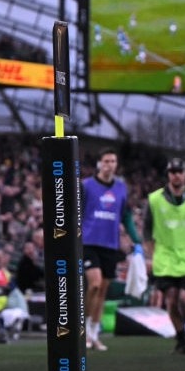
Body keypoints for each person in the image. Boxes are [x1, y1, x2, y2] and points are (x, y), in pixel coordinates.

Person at [144, 158, 185, 354]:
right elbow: (147, 231)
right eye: (173, 172)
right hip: (165, 258)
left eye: (179, 171)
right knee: (171, 300)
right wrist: (150, 256)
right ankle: (181, 339)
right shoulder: (154, 199)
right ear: (168, 174)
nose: (176, 175)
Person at [82, 147, 142, 351]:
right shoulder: (86, 186)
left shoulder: (120, 188)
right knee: (95, 284)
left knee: (103, 291)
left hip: (110, 243)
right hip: (89, 241)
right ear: (99, 163)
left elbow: (125, 216)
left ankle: (93, 333)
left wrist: (136, 239)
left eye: (113, 161)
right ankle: (83, 329)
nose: (109, 165)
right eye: (106, 161)